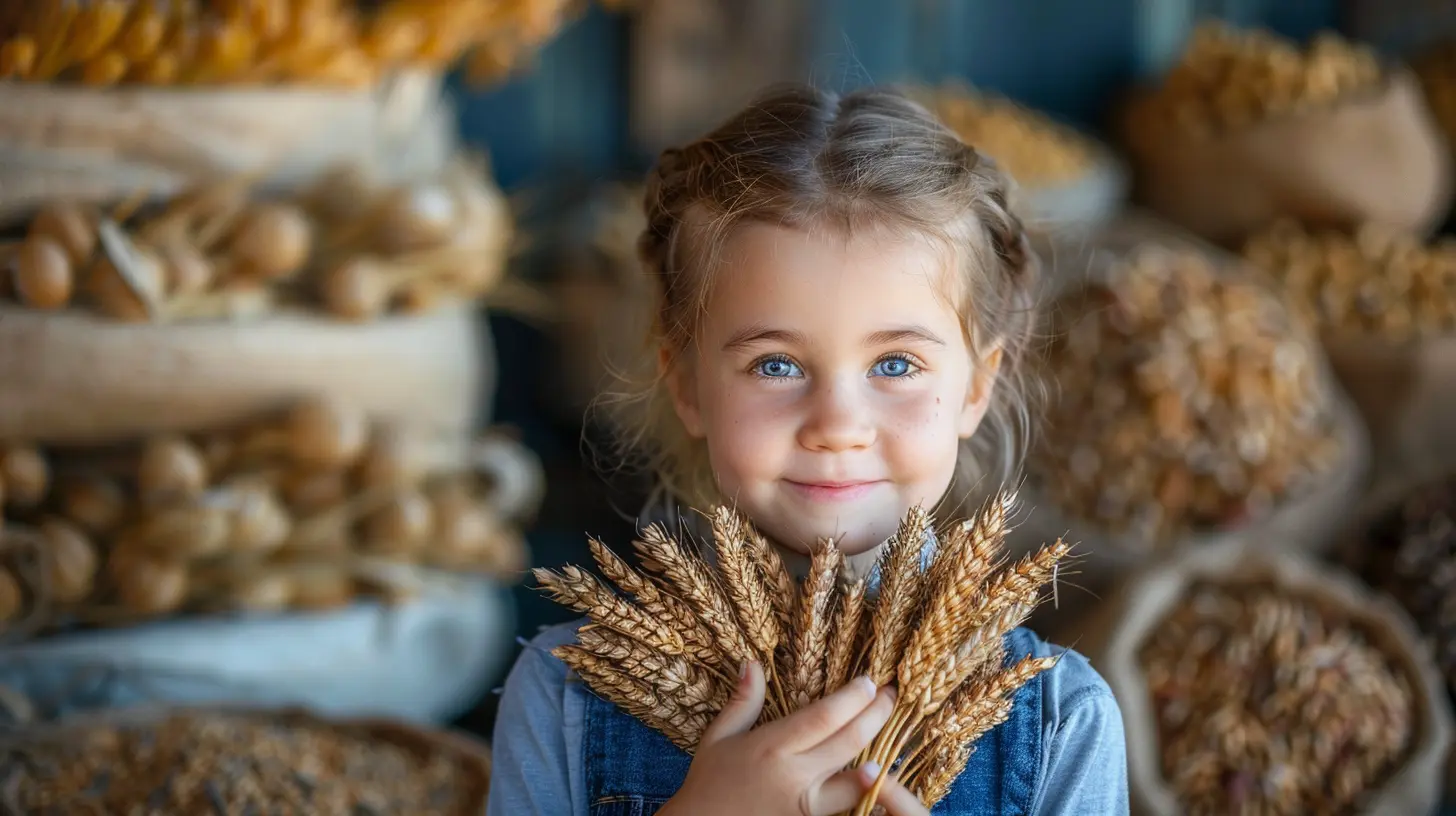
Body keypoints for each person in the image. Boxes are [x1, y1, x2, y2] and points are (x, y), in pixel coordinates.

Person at [487, 83, 1129, 816]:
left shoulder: (1058, 720)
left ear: (977, 386)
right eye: (777, 365)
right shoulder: (566, 691)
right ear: (688, 385)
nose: (837, 424)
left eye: (895, 365)